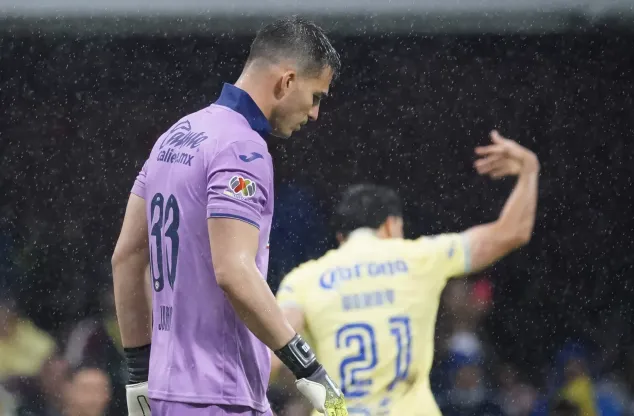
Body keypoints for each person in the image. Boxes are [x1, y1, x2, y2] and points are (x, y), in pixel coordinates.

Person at [111, 17, 347, 416]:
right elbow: (234, 271)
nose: (315, 113)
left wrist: (138, 376)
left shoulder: (176, 134)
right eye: (317, 96)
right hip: (220, 395)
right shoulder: (241, 148)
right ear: (287, 81)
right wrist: (309, 369)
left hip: (168, 394)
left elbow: (127, 257)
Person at [273, 131, 540, 415]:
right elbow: (511, 232)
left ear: (341, 236)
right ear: (390, 225)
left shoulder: (302, 280)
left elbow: (270, 357)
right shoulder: (421, 257)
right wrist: (529, 170)